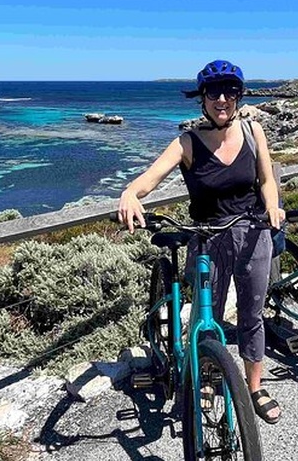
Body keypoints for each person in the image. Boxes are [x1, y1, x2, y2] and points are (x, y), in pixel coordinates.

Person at [118, 59, 285, 424]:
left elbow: (267, 179)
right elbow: (153, 175)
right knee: (204, 316)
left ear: (239, 96)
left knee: (252, 315)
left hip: (253, 232)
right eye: (214, 92)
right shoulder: (188, 141)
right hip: (208, 238)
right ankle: (208, 376)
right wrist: (132, 192)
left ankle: (254, 386)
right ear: (203, 99)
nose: (222, 98)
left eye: (230, 91)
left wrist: (273, 206)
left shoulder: (254, 131)